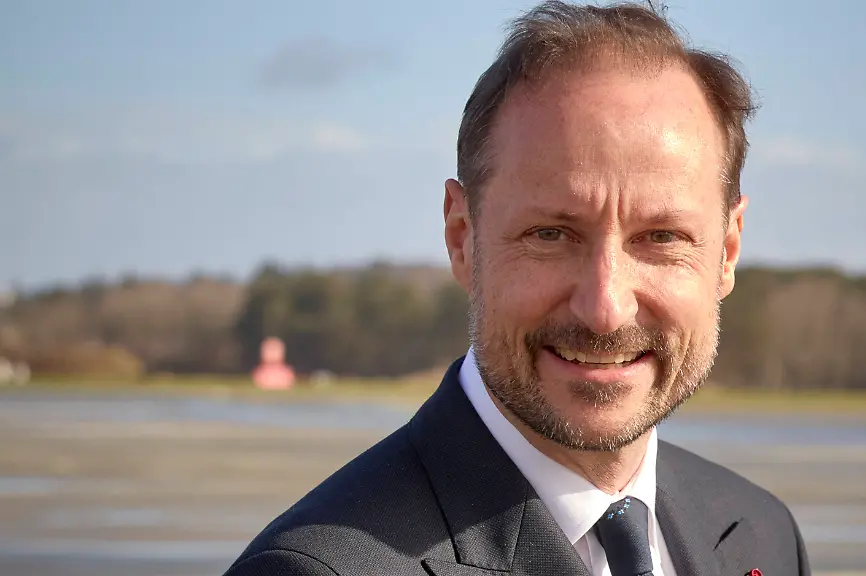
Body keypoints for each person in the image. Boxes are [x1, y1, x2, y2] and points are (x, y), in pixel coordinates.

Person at [224, 1, 810, 575]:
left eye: (661, 237)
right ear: (462, 238)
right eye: (551, 234)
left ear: (727, 251)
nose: (605, 309)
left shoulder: (762, 534)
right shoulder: (316, 568)